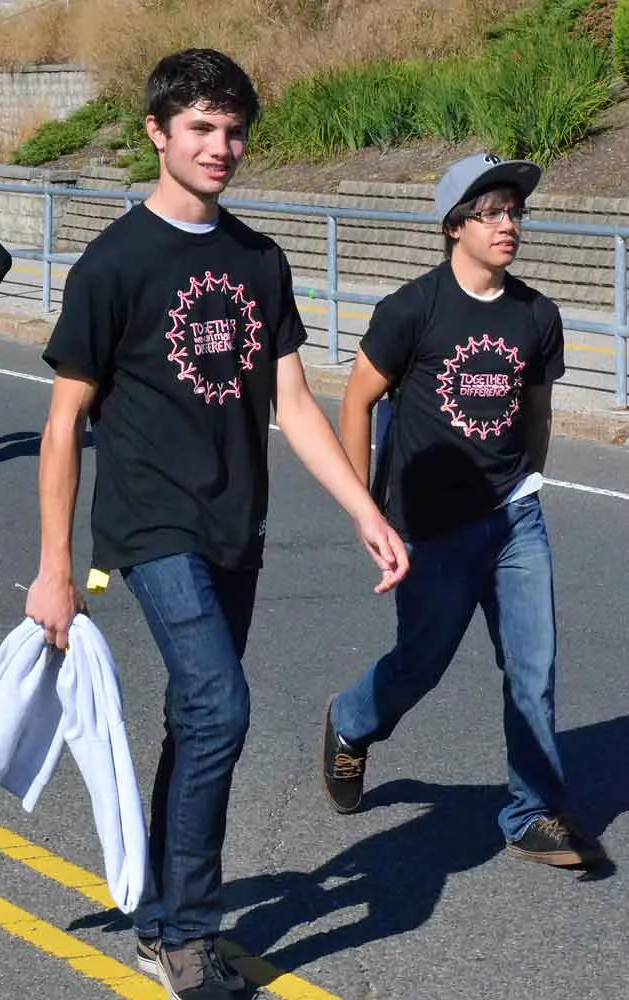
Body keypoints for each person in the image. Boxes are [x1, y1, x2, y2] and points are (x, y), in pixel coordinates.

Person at [25, 48, 409, 1000]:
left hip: (237, 522)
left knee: (194, 718)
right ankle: (189, 936)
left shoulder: (259, 260)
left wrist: (365, 508)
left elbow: (295, 402)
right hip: (151, 524)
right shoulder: (115, 263)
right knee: (221, 707)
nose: (220, 147)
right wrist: (54, 568)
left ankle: (160, 917)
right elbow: (65, 423)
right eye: (200, 127)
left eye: (234, 130)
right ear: (157, 132)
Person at [322, 152, 606, 870]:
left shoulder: (537, 314)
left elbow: (537, 412)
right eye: (492, 212)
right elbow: (357, 402)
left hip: (515, 517)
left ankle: (531, 812)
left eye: (516, 211)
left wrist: (526, 480)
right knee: (420, 664)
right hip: (430, 527)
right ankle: (351, 721)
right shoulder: (411, 310)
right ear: (456, 226)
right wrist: (367, 510)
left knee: (533, 665)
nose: (509, 224)